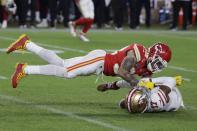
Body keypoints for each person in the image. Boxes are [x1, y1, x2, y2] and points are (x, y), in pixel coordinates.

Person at [6, 34, 171, 88]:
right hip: (99, 59)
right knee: (68, 73)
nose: (157, 66)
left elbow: (124, 82)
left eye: (160, 65)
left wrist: (109, 86)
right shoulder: (140, 52)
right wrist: (141, 84)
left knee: (62, 64)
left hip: (99, 67)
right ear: (153, 53)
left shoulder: (146, 70)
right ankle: (25, 69)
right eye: (158, 61)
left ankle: (27, 44)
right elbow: (122, 71)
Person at [117, 76, 184, 113]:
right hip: (175, 95)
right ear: (142, 99)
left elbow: (122, 104)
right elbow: (171, 80)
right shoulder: (156, 100)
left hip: (156, 99)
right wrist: (153, 84)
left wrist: (115, 84)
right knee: (144, 81)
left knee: (142, 83)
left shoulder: (137, 106)